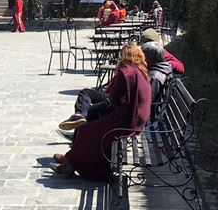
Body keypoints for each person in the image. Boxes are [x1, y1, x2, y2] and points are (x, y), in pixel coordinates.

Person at [50, 41, 152, 180]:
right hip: (136, 120)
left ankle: (72, 163)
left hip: (125, 122)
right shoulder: (141, 71)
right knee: (88, 120)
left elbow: (114, 99)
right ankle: (70, 162)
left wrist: (120, 98)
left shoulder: (126, 72)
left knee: (86, 131)